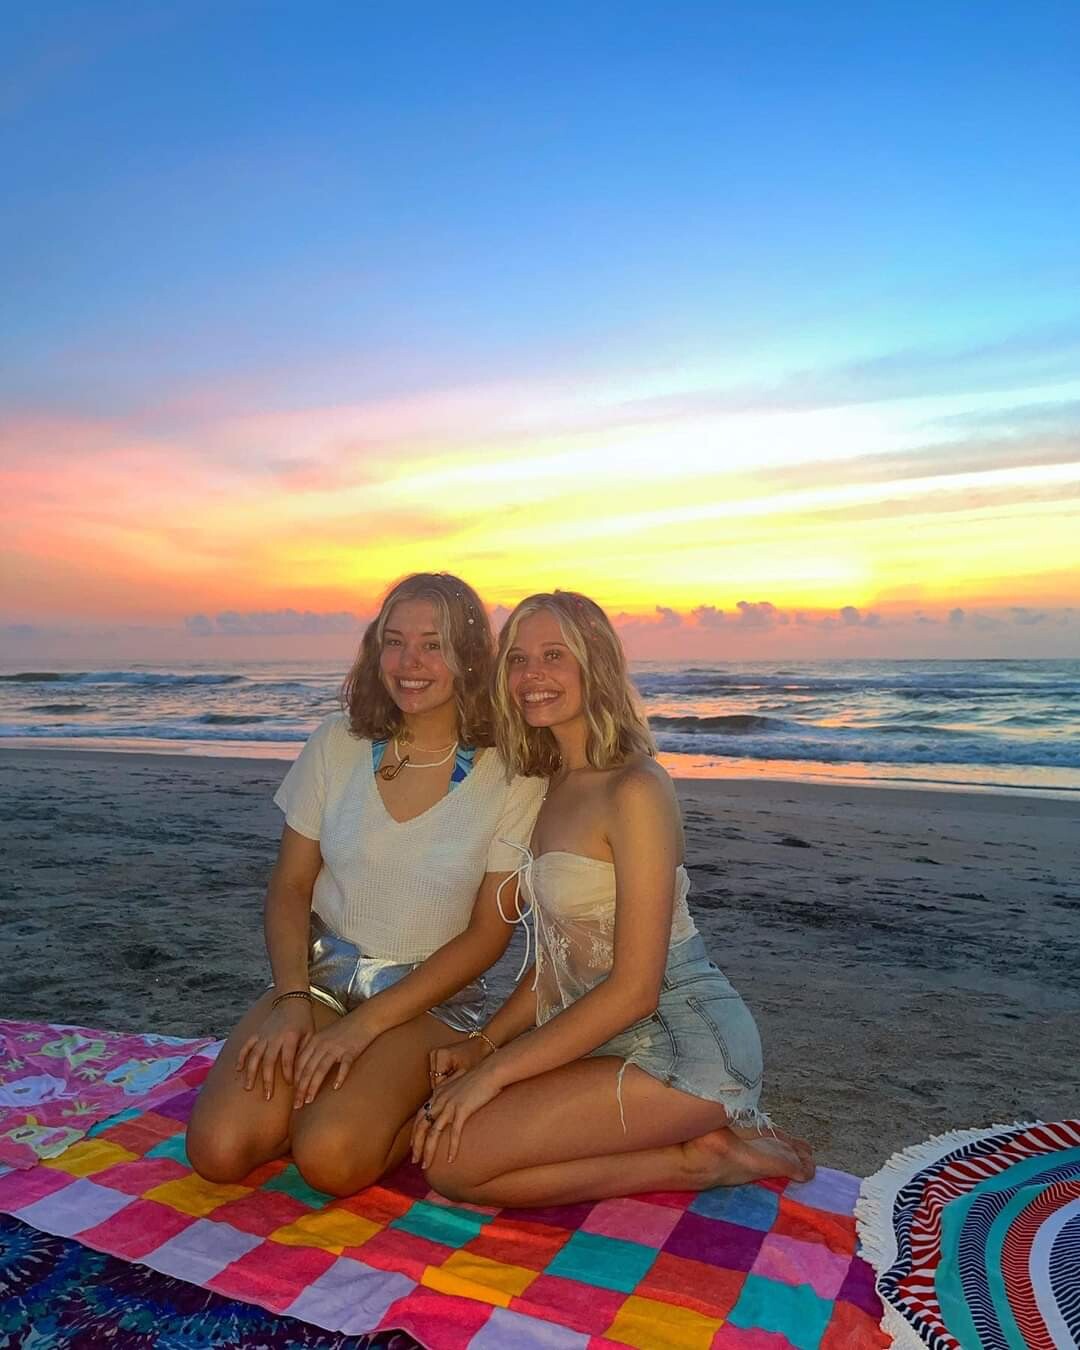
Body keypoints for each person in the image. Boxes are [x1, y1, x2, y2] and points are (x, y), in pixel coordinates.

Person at [410, 590, 813, 1207]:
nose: (531, 677)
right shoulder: (550, 786)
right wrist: (482, 1045)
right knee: (442, 1144)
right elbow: (558, 965)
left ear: (594, 664)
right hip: (600, 1036)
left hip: (684, 1045)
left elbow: (635, 989)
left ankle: (697, 1160)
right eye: (517, 659)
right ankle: (688, 1148)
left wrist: (493, 1075)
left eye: (553, 656)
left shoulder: (636, 789)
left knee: (452, 1165)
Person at [187, 573, 545, 1196]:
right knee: (217, 1151)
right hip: (320, 979)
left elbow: (489, 935)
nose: (410, 663)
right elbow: (290, 887)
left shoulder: (513, 772)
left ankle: (418, 1098)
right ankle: (321, 1101)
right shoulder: (338, 743)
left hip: (428, 999)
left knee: (329, 1160)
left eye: (433, 644)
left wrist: (366, 1026)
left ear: (469, 657)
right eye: (394, 640)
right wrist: (290, 1001)